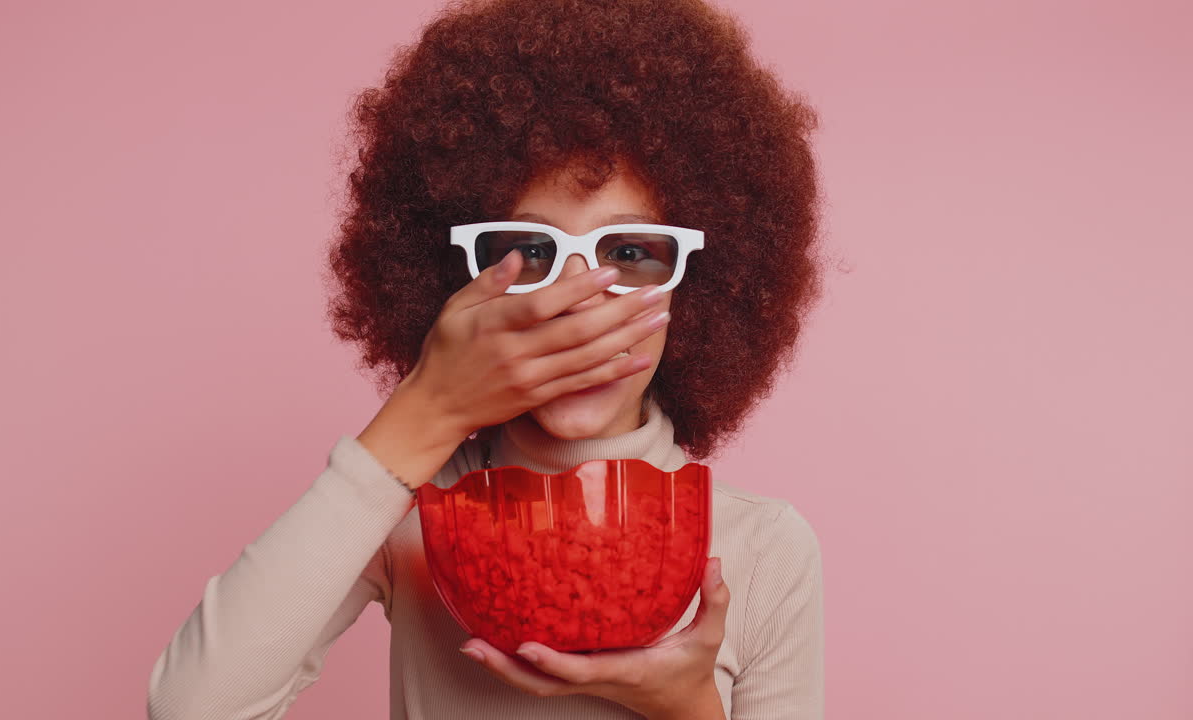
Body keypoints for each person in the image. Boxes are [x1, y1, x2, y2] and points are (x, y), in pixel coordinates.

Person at [148, 0, 827, 717]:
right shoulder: (409, 512)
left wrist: (687, 704)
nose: (575, 301)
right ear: (453, 282)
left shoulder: (764, 548)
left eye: (630, 253)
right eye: (529, 252)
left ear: (707, 286)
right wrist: (426, 410)